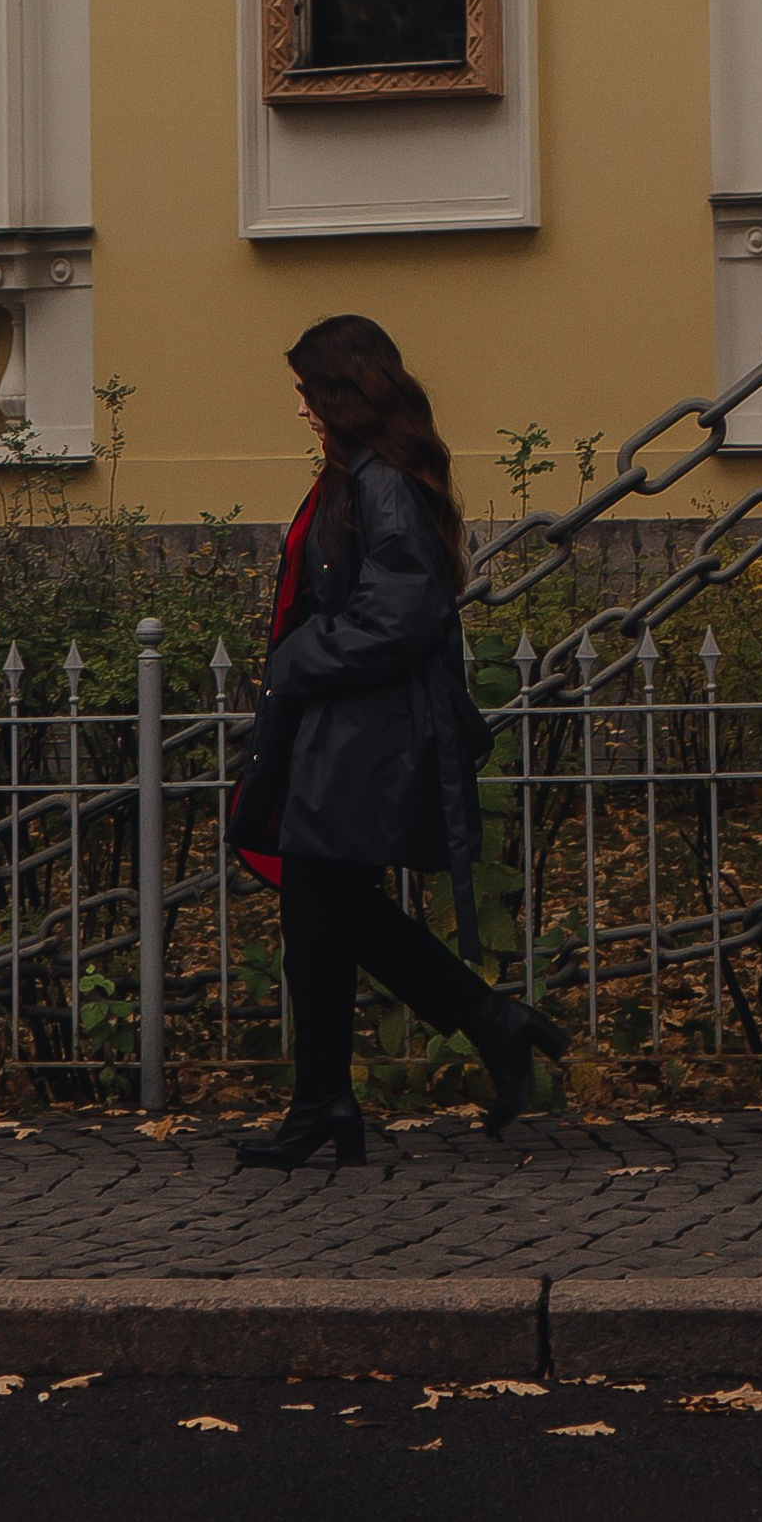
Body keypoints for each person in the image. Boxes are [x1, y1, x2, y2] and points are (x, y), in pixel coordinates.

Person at [228, 313, 566, 1170]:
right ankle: (445, 1043)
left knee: (322, 907)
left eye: (307, 389)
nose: (300, 405)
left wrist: (301, 655)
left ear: (344, 389)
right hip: (345, 726)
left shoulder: (379, 482)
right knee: (331, 913)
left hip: (361, 732)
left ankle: (329, 1101)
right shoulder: (359, 473)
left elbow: (403, 610)